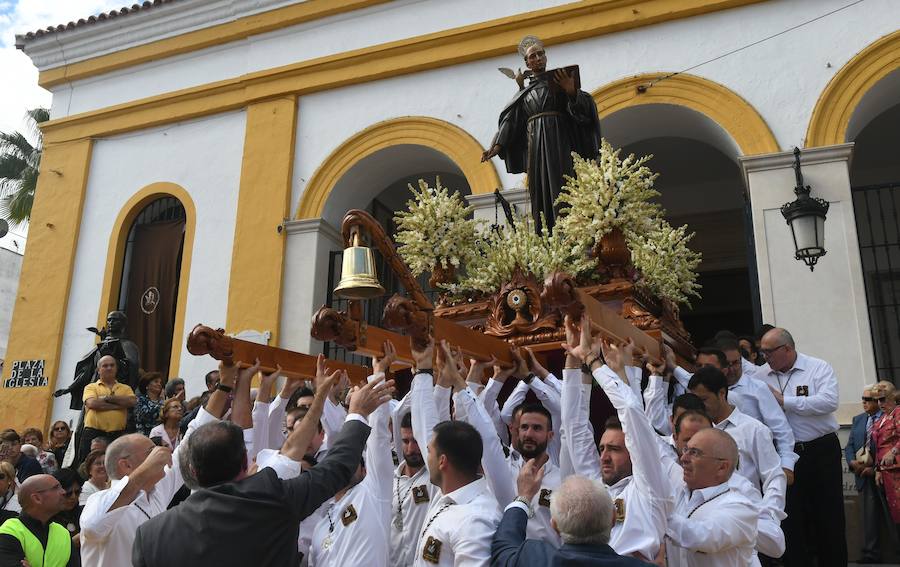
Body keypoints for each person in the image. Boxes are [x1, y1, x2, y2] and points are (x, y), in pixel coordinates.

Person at [131, 368, 394, 567]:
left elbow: (300, 454)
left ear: (193, 472)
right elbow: (335, 468)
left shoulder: (150, 537)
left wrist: (322, 398)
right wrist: (356, 411)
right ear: (245, 464)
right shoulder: (271, 497)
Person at [560, 315, 668, 562]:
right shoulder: (597, 487)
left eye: (615, 449)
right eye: (602, 448)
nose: (604, 457)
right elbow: (573, 427)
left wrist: (592, 359)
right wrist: (574, 360)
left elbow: (630, 410)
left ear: (633, 451)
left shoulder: (649, 487)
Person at [481, 35, 602, 231]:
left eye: (540, 54)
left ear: (545, 57)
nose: (537, 58)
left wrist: (571, 92)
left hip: (559, 140)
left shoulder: (560, 83)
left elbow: (581, 114)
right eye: (533, 56)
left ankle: (569, 225)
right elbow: (511, 121)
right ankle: (545, 229)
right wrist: (496, 147)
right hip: (535, 143)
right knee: (539, 187)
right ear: (526, 62)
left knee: (562, 180)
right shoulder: (524, 94)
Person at [756, 327, 846, 567]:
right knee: (791, 519)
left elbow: (828, 401)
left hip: (820, 450)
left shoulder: (817, 368)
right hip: (784, 456)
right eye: (762, 352)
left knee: (829, 517)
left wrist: (786, 401)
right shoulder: (760, 376)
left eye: (768, 352)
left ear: (787, 349)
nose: (765, 357)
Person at [410, 339, 502, 567]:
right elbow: (424, 426)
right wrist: (426, 371)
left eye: (428, 451)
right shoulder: (446, 496)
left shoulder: (476, 517)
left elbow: (489, 437)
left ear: (443, 461)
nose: (424, 455)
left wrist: (458, 381)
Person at [307, 343, 396, 567]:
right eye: (335, 461)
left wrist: (378, 373)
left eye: (351, 461)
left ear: (365, 469)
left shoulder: (373, 493)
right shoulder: (319, 525)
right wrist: (322, 396)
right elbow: (339, 436)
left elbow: (378, 440)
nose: (342, 464)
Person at [688, 366, 786, 560]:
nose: (699, 406)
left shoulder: (753, 429)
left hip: (745, 523)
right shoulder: (695, 432)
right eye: (695, 400)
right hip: (705, 522)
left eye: (704, 399)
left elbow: (774, 476)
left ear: (722, 393)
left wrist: (770, 515)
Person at [491, 464, 650, 566]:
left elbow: (503, 547)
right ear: (613, 519)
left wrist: (523, 497)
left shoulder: (533, 559)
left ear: (554, 525)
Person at [667, 428, 758, 566]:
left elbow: (704, 537)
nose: (683, 458)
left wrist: (659, 512)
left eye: (695, 453)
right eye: (685, 450)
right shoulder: (677, 495)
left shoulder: (741, 508)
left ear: (722, 467)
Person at [845, 384, 885, 563]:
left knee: (890, 514)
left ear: (878, 400)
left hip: (883, 474)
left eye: (868, 399)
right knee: (868, 516)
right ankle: (871, 553)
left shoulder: (887, 418)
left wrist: (875, 468)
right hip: (863, 474)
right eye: (862, 399)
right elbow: (850, 446)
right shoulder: (858, 419)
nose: (864, 402)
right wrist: (853, 462)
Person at [0, 474, 76, 567]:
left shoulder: (63, 533)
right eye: (56, 488)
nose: (64, 492)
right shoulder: (10, 532)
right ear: (37, 498)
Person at [78, 355, 136, 462]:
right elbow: (92, 404)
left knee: (116, 465)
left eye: (112, 365)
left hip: (117, 435)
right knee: (88, 464)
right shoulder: (91, 387)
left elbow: (131, 402)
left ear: (116, 368)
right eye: (105, 366)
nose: (109, 368)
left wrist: (107, 398)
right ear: (98, 370)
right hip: (93, 434)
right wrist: (119, 405)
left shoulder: (125, 388)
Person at [872, 381, 900, 532]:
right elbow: (878, 446)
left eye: (882, 399)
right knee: (894, 514)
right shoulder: (881, 418)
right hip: (886, 471)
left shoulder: (898, 412)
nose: (879, 403)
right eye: (877, 400)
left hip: (897, 469)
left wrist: (894, 451)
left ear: (892, 397)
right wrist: (877, 469)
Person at [50, 468, 83, 547]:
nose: (73, 497)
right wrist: (71, 544)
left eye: (77, 492)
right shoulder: (46, 518)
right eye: (68, 493)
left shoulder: (84, 513)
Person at [134, 372, 166, 436]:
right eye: (156, 382)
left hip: (161, 435)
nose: (159, 384)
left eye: (160, 382)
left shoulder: (163, 401)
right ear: (147, 385)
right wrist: (164, 403)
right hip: (144, 436)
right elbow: (146, 414)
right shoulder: (140, 400)